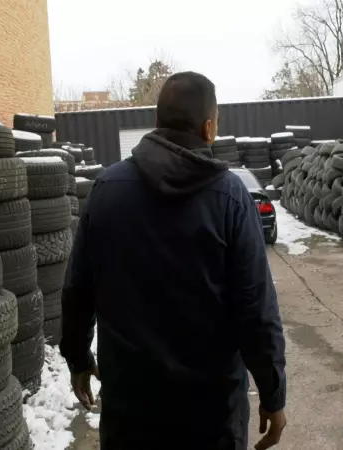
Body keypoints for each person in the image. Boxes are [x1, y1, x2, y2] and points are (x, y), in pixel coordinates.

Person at [60, 71, 287, 450]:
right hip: (212, 416)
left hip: (130, 413)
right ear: (209, 128)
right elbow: (255, 308)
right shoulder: (230, 198)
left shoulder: (106, 191)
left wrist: (78, 358)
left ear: (157, 122)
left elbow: (78, 289)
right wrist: (273, 393)